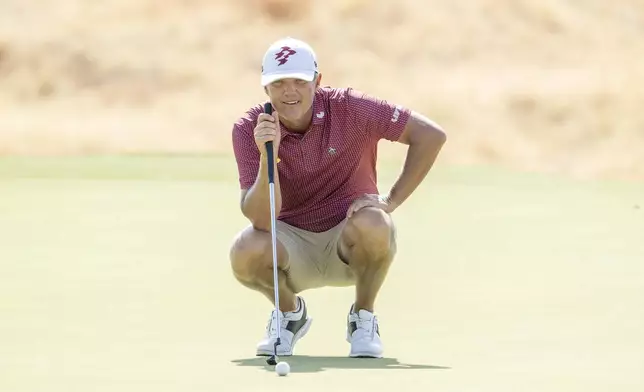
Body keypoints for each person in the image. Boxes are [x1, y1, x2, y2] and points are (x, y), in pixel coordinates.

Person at [230, 37, 446, 358]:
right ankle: (290, 315)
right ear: (266, 89)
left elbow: (430, 135)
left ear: (317, 81)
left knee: (376, 222)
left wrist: (391, 201)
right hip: (292, 245)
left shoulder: (351, 108)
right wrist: (267, 156)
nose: (289, 92)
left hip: (349, 238)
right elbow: (262, 219)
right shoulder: (251, 128)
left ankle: (363, 317)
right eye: (278, 84)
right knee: (246, 250)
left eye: (299, 82)